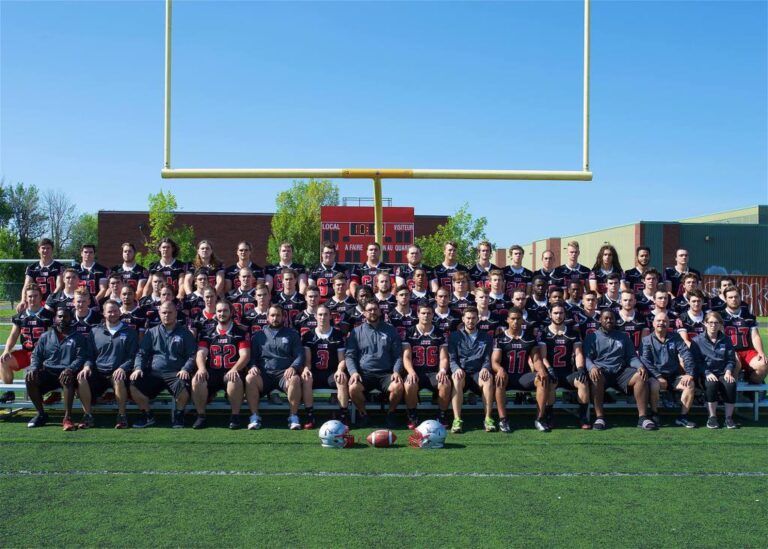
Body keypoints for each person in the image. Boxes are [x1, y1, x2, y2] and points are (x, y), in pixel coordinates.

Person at [584, 310, 656, 431]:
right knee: (595, 377)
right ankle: (599, 417)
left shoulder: (623, 336)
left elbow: (631, 356)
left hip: (621, 372)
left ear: (615, 320)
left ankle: (643, 418)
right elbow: (586, 358)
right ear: (600, 320)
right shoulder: (592, 337)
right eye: (606, 318)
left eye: (611, 318)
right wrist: (592, 367)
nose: (609, 320)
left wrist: (640, 366)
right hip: (602, 372)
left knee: (640, 376)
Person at [129, 301, 197, 428]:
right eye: (164, 312)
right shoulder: (151, 332)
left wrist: (185, 369)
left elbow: (192, 355)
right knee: (134, 385)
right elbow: (141, 353)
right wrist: (138, 368)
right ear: (159, 314)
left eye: (170, 312)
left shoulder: (185, 333)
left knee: (183, 386)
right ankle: (147, 414)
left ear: (176, 313)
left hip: (176, 372)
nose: (167, 315)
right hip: (154, 372)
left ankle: (179, 414)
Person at [77, 300, 139, 429]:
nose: (113, 314)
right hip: (99, 371)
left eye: (115, 311)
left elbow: (133, 356)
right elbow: (89, 355)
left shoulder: (130, 331)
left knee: (119, 378)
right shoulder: (95, 331)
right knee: (82, 378)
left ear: (120, 312)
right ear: (104, 313)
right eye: (109, 311)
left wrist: (122, 368)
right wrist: (87, 366)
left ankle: (121, 416)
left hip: (117, 371)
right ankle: (87, 415)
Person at [25, 307, 88, 430]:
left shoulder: (78, 337)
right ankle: (41, 414)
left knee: (67, 379)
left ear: (71, 319)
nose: (62, 319)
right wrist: (34, 368)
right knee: (30, 378)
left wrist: (70, 369)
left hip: (67, 372)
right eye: (59, 316)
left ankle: (67, 418)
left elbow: (80, 357)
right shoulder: (46, 336)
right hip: (49, 371)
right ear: (55, 319)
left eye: (65, 316)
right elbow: (36, 355)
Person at [345, 299, 404, 428]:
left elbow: (398, 355)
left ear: (380, 311)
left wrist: (396, 371)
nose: (372, 312)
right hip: (364, 374)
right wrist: (353, 372)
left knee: (398, 386)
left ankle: (391, 413)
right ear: (364, 313)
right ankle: (363, 415)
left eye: (375, 309)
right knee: (353, 387)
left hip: (386, 374)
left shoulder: (390, 330)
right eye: (369, 310)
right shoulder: (356, 332)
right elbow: (349, 356)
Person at [192, 300, 251, 429]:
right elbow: (201, 353)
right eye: (219, 311)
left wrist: (235, 369)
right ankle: (201, 416)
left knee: (234, 379)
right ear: (215, 313)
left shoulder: (240, 332)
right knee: (197, 379)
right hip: (213, 371)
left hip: (231, 370)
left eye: (225, 310)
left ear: (231, 312)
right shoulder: (207, 333)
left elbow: (245, 355)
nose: (222, 313)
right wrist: (201, 368)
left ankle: (235, 416)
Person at [245, 305, 304, 430]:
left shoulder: (292, 334)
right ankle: (254, 416)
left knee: (295, 379)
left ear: (283, 317)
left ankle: (293, 416)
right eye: (272, 315)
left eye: (278, 315)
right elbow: (252, 357)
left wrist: (293, 367)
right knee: (250, 378)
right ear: (267, 317)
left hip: (284, 374)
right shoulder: (258, 336)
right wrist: (253, 366)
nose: (275, 318)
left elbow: (300, 355)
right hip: (264, 374)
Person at [492, 307, 547, 433]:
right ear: (507, 320)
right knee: (499, 380)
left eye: (518, 319)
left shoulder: (530, 338)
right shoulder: (499, 338)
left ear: (523, 320)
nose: (515, 321)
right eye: (512, 319)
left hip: (523, 376)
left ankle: (540, 419)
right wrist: (500, 369)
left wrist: (541, 370)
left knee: (542, 379)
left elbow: (536, 359)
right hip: (507, 376)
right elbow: (495, 361)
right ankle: (503, 419)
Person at [539, 304, 591, 429]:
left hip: (568, 372)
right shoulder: (544, 333)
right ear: (550, 314)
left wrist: (580, 368)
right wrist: (549, 369)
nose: (558, 316)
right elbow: (543, 356)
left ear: (565, 314)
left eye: (561, 313)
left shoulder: (572, 332)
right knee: (549, 383)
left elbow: (578, 353)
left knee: (583, 381)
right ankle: (549, 415)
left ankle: (583, 416)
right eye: (555, 313)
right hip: (552, 371)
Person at [641, 311, 697, 428]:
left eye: (664, 321)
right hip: (655, 377)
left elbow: (686, 354)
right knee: (653, 385)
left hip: (674, 376)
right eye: (658, 321)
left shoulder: (675, 337)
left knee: (690, 384)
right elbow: (645, 361)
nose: (661, 323)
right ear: (653, 323)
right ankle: (654, 413)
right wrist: (658, 376)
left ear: (668, 324)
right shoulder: (646, 340)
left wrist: (689, 373)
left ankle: (683, 417)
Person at [1, 285, 53, 403]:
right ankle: (10, 392)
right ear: (26, 297)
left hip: (43, 354)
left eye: (35, 296)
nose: (32, 299)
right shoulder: (20, 316)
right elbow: (13, 335)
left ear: (40, 297)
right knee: (3, 361)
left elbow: (53, 338)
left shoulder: (48, 316)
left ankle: (51, 392)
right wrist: (7, 350)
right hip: (26, 353)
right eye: (30, 296)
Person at [403, 304, 451, 428]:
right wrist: (411, 372)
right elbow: (406, 357)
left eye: (429, 313)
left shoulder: (439, 333)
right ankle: (412, 414)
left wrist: (442, 371)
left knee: (445, 383)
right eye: (423, 313)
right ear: (418, 314)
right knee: (409, 383)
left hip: (433, 373)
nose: (426, 316)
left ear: (433, 315)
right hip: (416, 372)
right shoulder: (410, 332)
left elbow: (444, 357)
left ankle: (442, 414)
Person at [301, 304, 350, 427]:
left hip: (331, 373)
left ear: (330, 316)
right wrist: (306, 369)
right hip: (315, 372)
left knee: (342, 378)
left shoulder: (337, 335)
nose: (322, 317)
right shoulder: (308, 335)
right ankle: (310, 416)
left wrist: (340, 370)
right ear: (315, 317)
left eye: (325, 314)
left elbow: (342, 359)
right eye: (320, 315)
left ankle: (343, 415)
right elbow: (307, 360)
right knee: (306, 378)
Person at [450, 307, 495, 433]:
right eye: (468, 318)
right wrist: (456, 369)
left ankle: (488, 419)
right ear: (463, 319)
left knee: (488, 378)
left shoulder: (486, 337)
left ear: (478, 319)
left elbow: (487, 358)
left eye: (473, 318)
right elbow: (452, 359)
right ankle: (457, 420)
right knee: (456, 378)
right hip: (462, 373)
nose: (470, 321)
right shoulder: (454, 336)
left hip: (478, 373)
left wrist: (485, 368)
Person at [690, 312, 738, 429]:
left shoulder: (726, 340)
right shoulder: (696, 341)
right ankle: (712, 417)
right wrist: (707, 373)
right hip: (705, 373)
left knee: (730, 383)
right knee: (711, 384)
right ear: (705, 323)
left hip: (722, 372)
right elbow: (696, 362)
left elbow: (731, 360)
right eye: (710, 322)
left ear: (720, 324)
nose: (713, 325)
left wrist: (728, 371)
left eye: (716, 323)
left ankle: (728, 418)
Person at [721, 286, 767, 384]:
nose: (734, 299)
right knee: (735, 362)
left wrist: (761, 352)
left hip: (746, 351)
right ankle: (732, 389)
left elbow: (755, 336)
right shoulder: (720, 316)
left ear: (740, 297)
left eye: (736, 297)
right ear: (725, 299)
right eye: (730, 297)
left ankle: (748, 385)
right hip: (729, 351)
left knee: (763, 364)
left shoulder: (749, 316)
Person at [18, 238, 64, 313]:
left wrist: (50, 300)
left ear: (52, 250)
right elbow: (26, 285)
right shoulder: (32, 268)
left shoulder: (58, 266)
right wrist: (23, 300)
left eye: (48, 248)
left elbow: (59, 285)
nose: (45, 250)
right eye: (43, 248)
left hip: (54, 302)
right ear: (38, 250)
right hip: (36, 302)